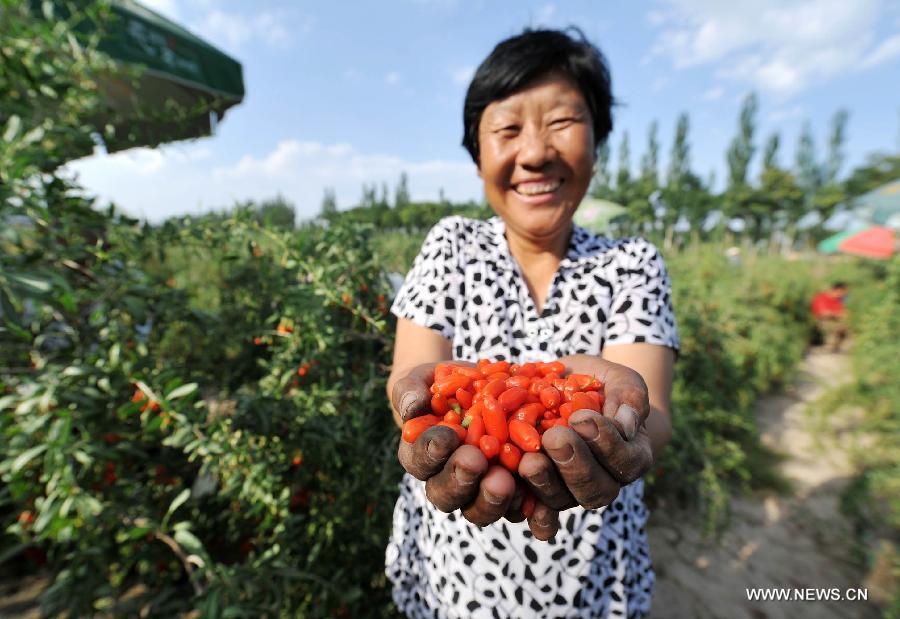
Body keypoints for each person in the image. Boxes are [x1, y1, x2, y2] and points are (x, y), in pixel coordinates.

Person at [385, 28, 678, 618]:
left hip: (593, 578)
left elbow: (656, 414)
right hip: (455, 580)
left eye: (563, 123)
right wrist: (418, 406)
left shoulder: (633, 264)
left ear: (598, 143)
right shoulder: (451, 246)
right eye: (508, 129)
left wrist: (626, 422)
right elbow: (410, 385)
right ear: (478, 155)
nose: (536, 152)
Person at [811, 282, 849, 352]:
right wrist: (837, 315)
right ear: (838, 290)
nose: (844, 295)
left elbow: (844, 313)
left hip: (832, 321)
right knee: (837, 327)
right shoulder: (821, 298)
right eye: (843, 293)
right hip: (821, 322)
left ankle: (835, 346)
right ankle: (827, 344)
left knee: (844, 326)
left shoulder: (838, 301)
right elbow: (823, 313)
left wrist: (839, 315)